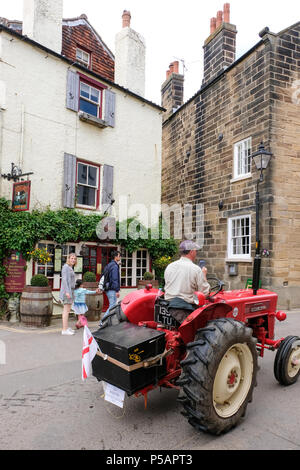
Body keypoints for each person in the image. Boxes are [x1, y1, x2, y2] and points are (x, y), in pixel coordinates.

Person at [164, 240, 210, 324]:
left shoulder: (170, 266)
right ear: (191, 251)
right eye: (196, 250)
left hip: (168, 304)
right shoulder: (195, 269)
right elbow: (204, 293)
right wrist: (203, 275)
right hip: (185, 309)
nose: (196, 253)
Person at [99, 250, 121, 323]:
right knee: (112, 306)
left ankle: (107, 322)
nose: (120, 257)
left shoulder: (108, 265)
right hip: (112, 289)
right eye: (119, 255)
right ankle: (103, 321)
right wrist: (117, 290)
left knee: (112, 305)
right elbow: (115, 279)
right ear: (116, 257)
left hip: (108, 288)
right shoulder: (114, 266)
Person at [59, 253, 77, 336]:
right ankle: (64, 329)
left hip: (71, 291)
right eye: (72, 258)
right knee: (66, 311)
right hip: (67, 292)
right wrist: (67, 292)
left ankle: (66, 327)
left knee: (68, 310)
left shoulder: (70, 267)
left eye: (74, 258)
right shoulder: (65, 267)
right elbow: (64, 280)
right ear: (68, 259)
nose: (73, 260)